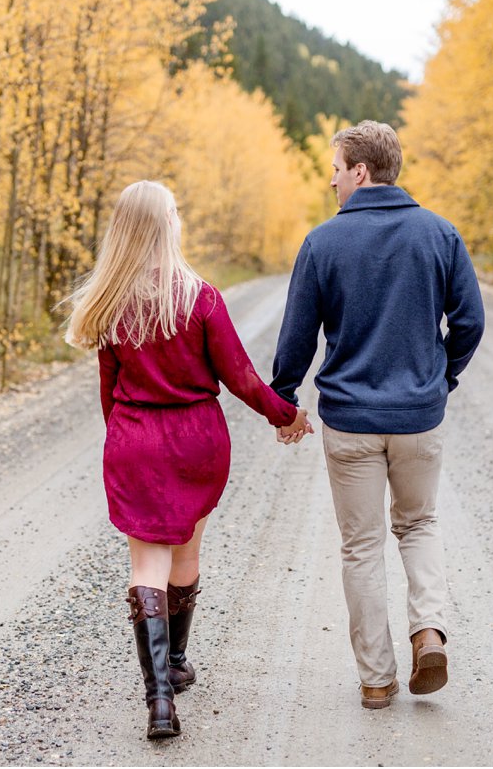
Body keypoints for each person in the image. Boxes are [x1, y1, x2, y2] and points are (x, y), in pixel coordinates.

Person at [64, 180, 313, 739]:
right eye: (174, 212)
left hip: (136, 440)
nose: (179, 220)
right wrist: (286, 416)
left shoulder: (110, 301)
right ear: (165, 224)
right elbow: (242, 377)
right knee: (186, 558)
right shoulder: (200, 297)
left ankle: (158, 701)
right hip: (197, 442)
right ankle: (175, 664)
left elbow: (109, 393)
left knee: (145, 567)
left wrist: (126, 445)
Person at [270, 120, 485, 710]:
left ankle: (376, 678)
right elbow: (470, 322)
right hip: (420, 417)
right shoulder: (440, 235)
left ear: (360, 172)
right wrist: (442, 378)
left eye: (336, 170)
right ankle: (429, 633)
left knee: (361, 545)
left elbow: (297, 336)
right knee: (418, 526)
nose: (333, 182)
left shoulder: (322, 242)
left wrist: (283, 399)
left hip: (350, 421)